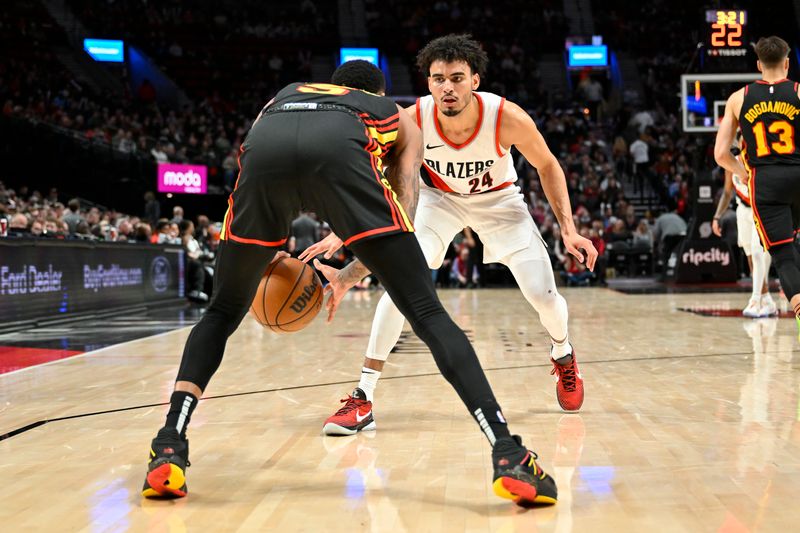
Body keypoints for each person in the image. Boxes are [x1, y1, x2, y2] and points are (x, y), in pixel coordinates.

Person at [141, 60, 557, 507]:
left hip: (264, 155)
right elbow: (403, 201)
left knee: (221, 313)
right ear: (377, 92)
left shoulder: (285, 93)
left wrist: (267, 247)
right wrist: (355, 269)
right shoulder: (390, 113)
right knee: (427, 312)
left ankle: (169, 444)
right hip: (338, 160)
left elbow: (260, 151)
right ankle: (508, 452)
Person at [303, 35, 598, 436]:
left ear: (475, 80)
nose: (448, 87)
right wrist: (342, 234)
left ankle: (563, 353)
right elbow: (379, 182)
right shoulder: (412, 120)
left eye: (457, 78)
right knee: (399, 288)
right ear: (428, 83)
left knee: (544, 297)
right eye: (439, 79)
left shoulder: (505, 116)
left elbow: (547, 166)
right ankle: (364, 395)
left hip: (500, 202)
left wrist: (569, 230)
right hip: (439, 201)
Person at [715, 35, 800, 336]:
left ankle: (798, 302)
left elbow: (720, 154)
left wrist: (745, 172)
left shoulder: (739, 98)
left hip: (765, 180)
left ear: (759, 65)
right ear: (787, 63)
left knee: (783, 255)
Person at [712, 138, 776, 317]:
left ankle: (755, 299)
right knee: (750, 254)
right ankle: (766, 298)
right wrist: (717, 216)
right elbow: (726, 192)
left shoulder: (758, 158)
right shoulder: (730, 161)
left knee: (758, 252)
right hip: (742, 210)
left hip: (761, 209)